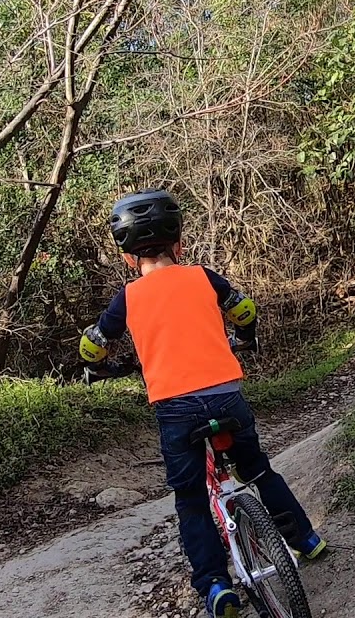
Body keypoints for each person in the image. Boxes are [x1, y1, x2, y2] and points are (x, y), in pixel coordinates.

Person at [77, 189, 325, 618]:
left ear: (127, 257)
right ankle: (305, 539)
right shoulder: (205, 277)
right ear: (179, 243)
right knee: (259, 470)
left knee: (191, 500)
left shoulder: (127, 298)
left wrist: (94, 368)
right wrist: (245, 337)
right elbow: (244, 311)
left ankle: (215, 586)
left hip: (175, 409)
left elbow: (92, 347)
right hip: (226, 395)